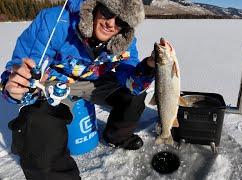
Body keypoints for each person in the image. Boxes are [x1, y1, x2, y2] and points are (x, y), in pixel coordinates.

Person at [0, 0, 157, 179]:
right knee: (37, 123)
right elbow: (23, 68)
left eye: (121, 21)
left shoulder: (124, 41)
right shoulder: (55, 22)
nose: (111, 24)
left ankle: (117, 137)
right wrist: (17, 87)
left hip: (95, 81)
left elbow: (132, 80)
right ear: (95, 7)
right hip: (55, 83)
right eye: (107, 12)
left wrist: (148, 67)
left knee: (133, 96)